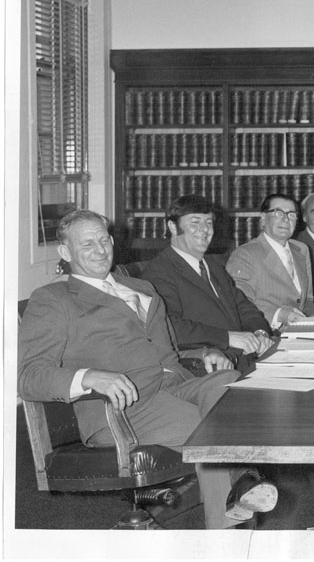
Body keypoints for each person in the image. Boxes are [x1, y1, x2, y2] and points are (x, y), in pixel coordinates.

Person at [17, 210, 278, 529]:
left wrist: (204, 351)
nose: (100, 250)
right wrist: (88, 376)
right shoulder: (52, 299)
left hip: (175, 384)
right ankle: (234, 517)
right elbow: (29, 377)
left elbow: (163, 348)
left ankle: (244, 484)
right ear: (65, 252)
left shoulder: (140, 287)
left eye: (104, 240)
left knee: (229, 383)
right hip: (122, 410)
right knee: (222, 423)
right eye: (87, 244)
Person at [142, 194, 274, 375]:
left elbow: (244, 308)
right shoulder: (160, 272)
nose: (204, 229)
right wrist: (226, 338)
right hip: (209, 369)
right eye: (195, 222)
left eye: (209, 222)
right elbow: (169, 326)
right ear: (173, 226)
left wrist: (260, 333)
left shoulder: (214, 267)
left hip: (247, 360)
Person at [226, 193, 314, 326]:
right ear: (263, 218)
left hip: (302, 332)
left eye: (291, 214)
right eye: (278, 213)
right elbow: (240, 305)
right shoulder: (244, 254)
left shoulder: (301, 250)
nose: (286, 219)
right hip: (267, 333)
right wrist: (279, 315)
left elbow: (308, 301)